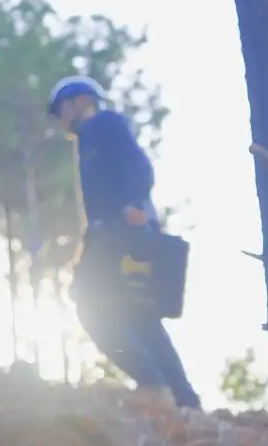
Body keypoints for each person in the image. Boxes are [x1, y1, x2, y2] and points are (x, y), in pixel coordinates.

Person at [50, 74, 201, 410]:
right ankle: (183, 401)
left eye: (60, 109)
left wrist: (133, 203)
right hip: (111, 234)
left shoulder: (105, 124)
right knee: (140, 316)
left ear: (79, 101)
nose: (60, 120)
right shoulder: (88, 138)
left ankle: (153, 385)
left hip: (122, 231)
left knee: (90, 304)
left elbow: (140, 166)